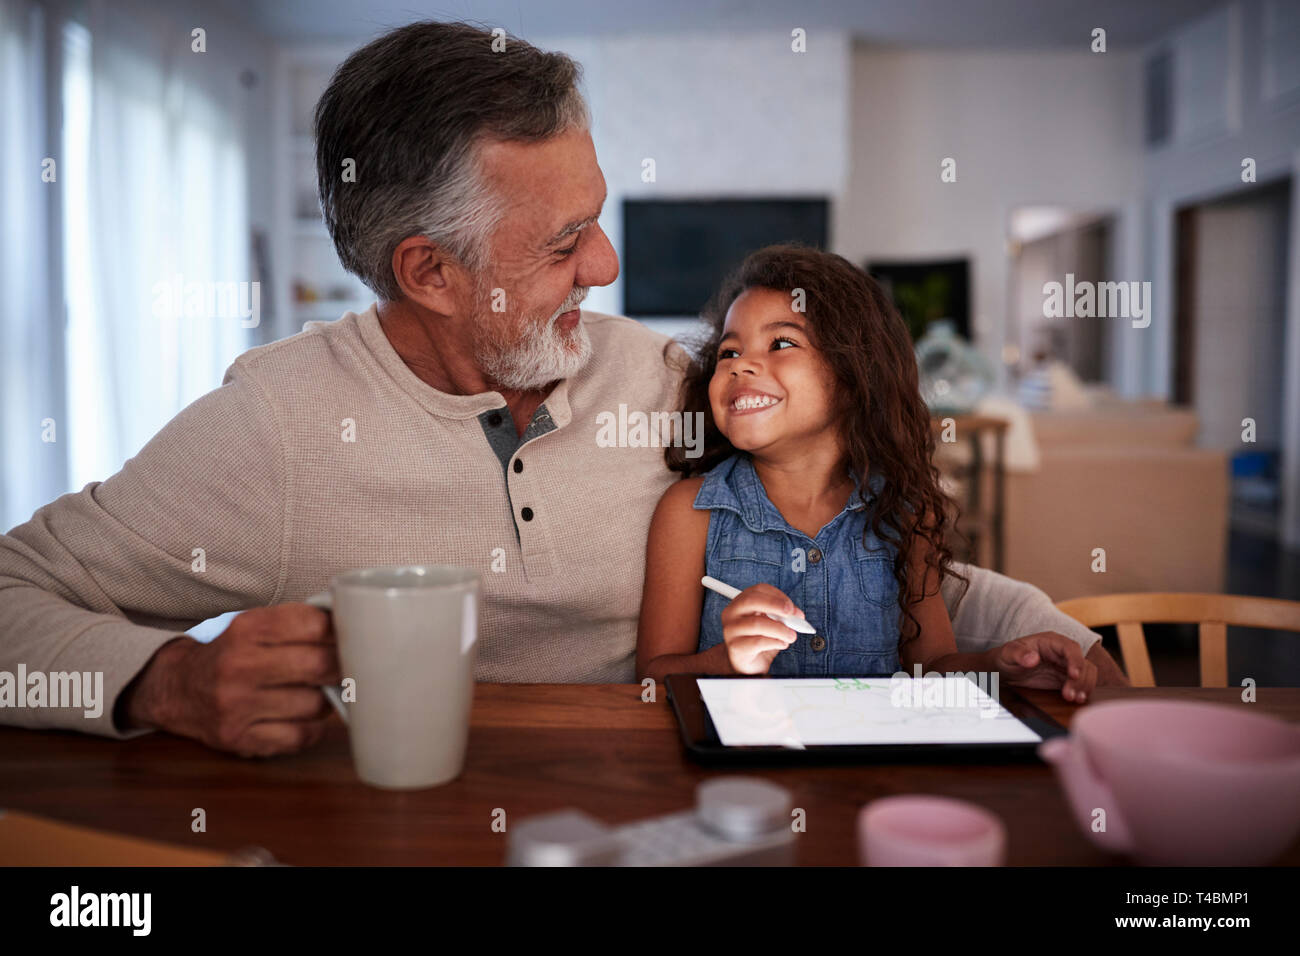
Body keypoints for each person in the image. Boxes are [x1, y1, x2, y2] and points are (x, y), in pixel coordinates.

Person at [0, 22, 1124, 757]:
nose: (608, 268)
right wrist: (163, 680)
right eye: (564, 241)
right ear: (428, 272)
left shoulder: (677, 384)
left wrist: (1047, 632)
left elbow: (862, 553)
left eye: (600, 218)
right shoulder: (275, 430)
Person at [638, 245, 1100, 702]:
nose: (741, 364)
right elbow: (651, 679)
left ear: (853, 373)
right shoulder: (691, 512)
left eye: (781, 343)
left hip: (876, 771)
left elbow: (931, 670)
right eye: (728, 352)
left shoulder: (904, 513)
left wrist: (999, 667)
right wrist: (726, 664)